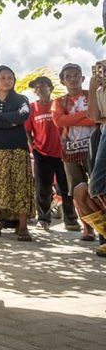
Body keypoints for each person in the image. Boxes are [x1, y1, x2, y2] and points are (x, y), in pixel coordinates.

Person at [0, 66, 34, 240]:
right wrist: (9, 121)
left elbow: (23, 115)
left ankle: (23, 227)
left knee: (21, 187)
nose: (7, 80)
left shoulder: (21, 99)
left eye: (10, 77)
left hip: (17, 149)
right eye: (2, 77)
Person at [52, 63, 96, 239]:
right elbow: (59, 121)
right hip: (70, 150)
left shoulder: (92, 96)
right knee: (77, 190)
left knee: (98, 187)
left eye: (76, 74)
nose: (73, 78)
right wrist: (86, 115)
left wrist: (72, 119)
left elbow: (97, 117)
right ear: (63, 81)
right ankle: (88, 227)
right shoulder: (59, 101)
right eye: (68, 76)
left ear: (83, 78)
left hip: (94, 147)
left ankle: (103, 227)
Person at [25, 76, 76, 230]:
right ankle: (43, 219)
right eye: (37, 87)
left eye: (43, 86)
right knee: (42, 189)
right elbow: (28, 131)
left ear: (50, 88)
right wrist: (32, 147)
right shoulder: (32, 108)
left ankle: (71, 220)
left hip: (63, 153)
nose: (40, 89)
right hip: (41, 153)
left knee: (67, 188)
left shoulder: (59, 104)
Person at [76, 60, 106, 257]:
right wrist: (93, 87)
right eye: (99, 70)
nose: (101, 73)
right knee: (83, 191)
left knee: (98, 184)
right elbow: (94, 116)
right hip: (103, 134)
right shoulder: (100, 91)